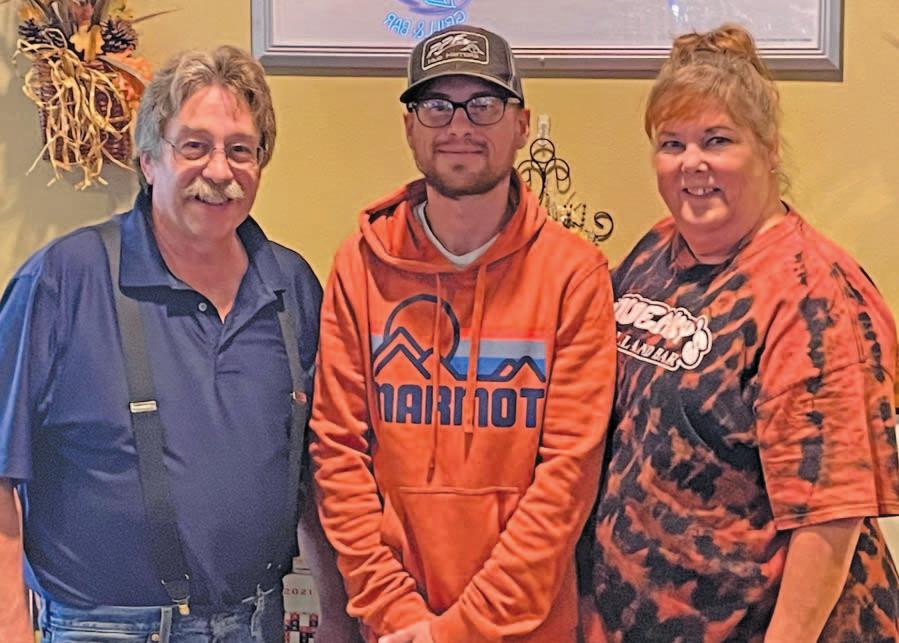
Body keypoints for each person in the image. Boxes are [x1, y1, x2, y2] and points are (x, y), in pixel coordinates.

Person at [0, 46, 353, 642]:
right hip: (102, 627)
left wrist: (337, 616)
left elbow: (316, 471)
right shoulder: (64, 279)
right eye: (194, 146)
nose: (219, 171)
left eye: (240, 149)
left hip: (257, 621)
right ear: (148, 159)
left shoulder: (291, 286)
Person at [584, 24, 899, 642]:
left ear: (769, 148)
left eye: (717, 140)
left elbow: (829, 520)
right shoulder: (654, 252)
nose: (692, 164)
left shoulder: (815, 295)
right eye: (671, 143)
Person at [309, 24, 617, 643]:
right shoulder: (359, 265)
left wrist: (458, 632)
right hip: (395, 629)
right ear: (410, 127)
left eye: (483, 104)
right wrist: (399, 618)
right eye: (436, 105)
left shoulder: (574, 275)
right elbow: (338, 454)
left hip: (529, 630)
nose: (459, 125)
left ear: (521, 124)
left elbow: (566, 481)